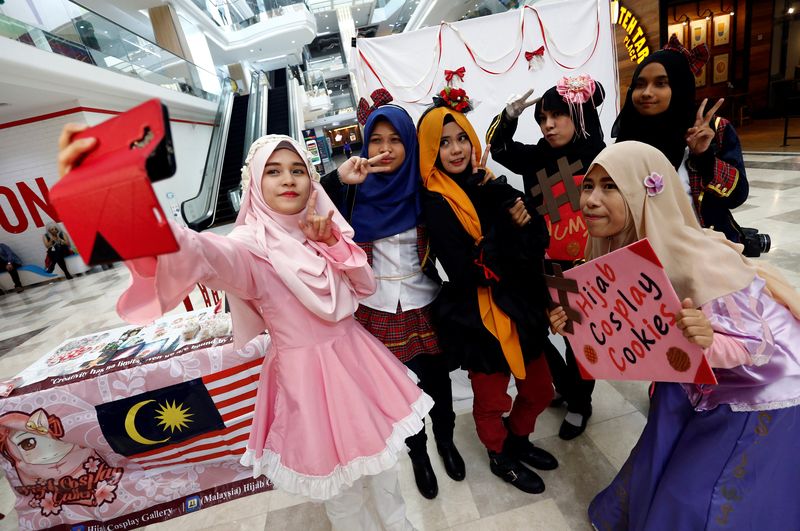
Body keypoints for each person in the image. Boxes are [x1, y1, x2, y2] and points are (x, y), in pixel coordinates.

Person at [58, 125, 432, 531]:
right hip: (308, 379)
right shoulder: (249, 248)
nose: (288, 179)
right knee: (340, 492)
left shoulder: (322, 227)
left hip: (357, 361)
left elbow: (364, 286)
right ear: (254, 182)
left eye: (297, 169)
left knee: (384, 472)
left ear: (311, 178)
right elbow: (198, 250)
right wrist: (119, 203)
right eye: (272, 171)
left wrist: (332, 244)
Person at [549, 141, 800, 530]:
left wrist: (705, 341)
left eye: (610, 186)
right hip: (697, 370)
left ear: (641, 193)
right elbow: (619, 347)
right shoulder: (613, 252)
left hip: (763, 381)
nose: (591, 200)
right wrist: (574, 329)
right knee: (660, 445)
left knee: (701, 498)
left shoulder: (698, 261)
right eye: (588, 186)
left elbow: (757, 345)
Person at [321, 101, 463, 500]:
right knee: (399, 391)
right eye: (376, 141)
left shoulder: (426, 189)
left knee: (438, 384)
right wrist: (340, 178)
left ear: (410, 145)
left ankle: (446, 441)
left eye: (395, 140)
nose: (384, 149)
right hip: (375, 312)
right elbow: (306, 208)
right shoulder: (350, 196)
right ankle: (417, 454)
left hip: (426, 305)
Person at [417, 100, 558, 494]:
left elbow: (535, 234)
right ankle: (499, 456)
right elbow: (468, 270)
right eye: (444, 143)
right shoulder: (434, 201)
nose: (457, 149)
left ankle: (518, 440)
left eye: (462, 137)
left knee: (540, 389)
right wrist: (511, 233)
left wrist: (522, 225)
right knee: (491, 399)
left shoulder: (489, 181)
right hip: (479, 317)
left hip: (520, 305)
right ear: (431, 150)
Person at [487, 74, 606, 440]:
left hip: (590, 264)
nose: (549, 125)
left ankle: (580, 403)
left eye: (558, 115)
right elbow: (499, 149)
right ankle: (570, 390)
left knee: (580, 340)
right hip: (546, 266)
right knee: (542, 335)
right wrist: (509, 116)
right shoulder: (536, 156)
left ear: (579, 114)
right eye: (542, 118)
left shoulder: (601, 156)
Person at [614, 35, 748, 244]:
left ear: (679, 87)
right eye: (640, 84)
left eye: (661, 83)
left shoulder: (712, 130)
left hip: (705, 250)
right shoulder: (627, 137)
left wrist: (704, 157)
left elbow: (737, 196)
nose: (647, 93)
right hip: (646, 255)